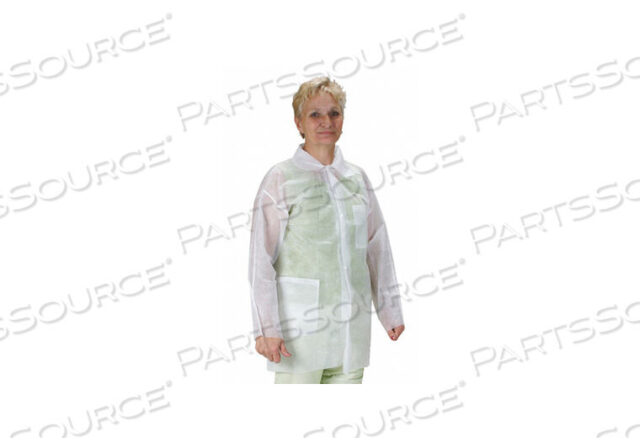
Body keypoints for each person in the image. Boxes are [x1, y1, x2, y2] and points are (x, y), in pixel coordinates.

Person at [248, 76, 405, 384]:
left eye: (334, 113)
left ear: (343, 119)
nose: (326, 122)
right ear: (299, 123)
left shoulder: (356, 179)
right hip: (299, 334)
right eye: (315, 114)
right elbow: (260, 260)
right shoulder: (282, 178)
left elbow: (377, 249)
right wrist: (266, 329)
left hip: (351, 332)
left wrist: (390, 311)